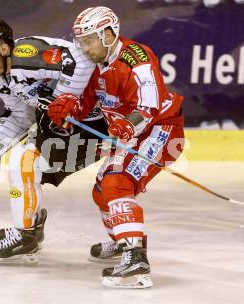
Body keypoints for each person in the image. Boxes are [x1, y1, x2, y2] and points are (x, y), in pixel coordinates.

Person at [47, 7, 185, 288]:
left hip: (161, 130)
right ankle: (126, 243)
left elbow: (149, 105)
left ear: (108, 34)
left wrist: (128, 125)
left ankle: (136, 260)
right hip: (135, 134)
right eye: (81, 42)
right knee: (101, 192)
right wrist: (69, 108)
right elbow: (89, 102)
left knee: (116, 183)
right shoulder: (97, 63)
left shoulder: (137, 58)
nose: (85, 48)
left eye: (89, 41)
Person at [0, 19, 107, 263]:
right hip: (71, 129)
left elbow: (82, 60)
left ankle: (26, 233)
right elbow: (21, 116)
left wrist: (61, 99)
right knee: (24, 163)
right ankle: (29, 226)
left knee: (23, 162)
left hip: (99, 125)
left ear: (2, 48)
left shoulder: (26, 54)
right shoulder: (1, 80)